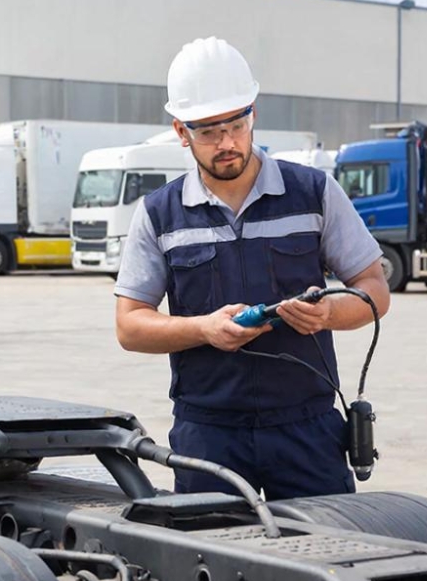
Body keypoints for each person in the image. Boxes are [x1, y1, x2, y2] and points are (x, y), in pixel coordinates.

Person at [114, 36, 390, 500]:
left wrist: (328, 315)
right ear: (181, 132)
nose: (227, 143)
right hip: (209, 434)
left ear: (253, 113)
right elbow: (129, 326)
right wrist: (204, 329)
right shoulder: (160, 214)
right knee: (212, 564)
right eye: (208, 131)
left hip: (308, 429)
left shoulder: (314, 194)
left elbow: (374, 290)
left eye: (237, 125)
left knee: (324, 558)